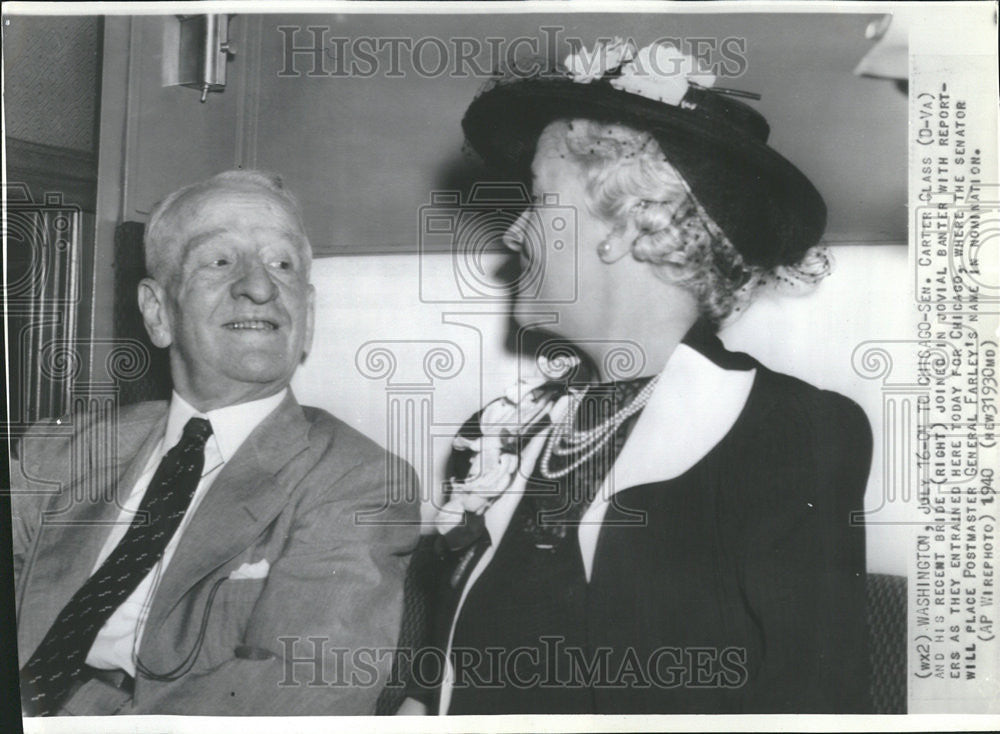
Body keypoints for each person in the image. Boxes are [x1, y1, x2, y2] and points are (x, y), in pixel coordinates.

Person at [402, 39, 872, 714]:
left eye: (538, 199)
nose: (512, 235)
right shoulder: (500, 434)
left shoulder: (788, 432)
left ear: (623, 222)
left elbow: (819, 707)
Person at [11, 170, 420, 716]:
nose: (260, 286)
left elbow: (293, 707)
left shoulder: (357, 481)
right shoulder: (57, 453)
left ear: (309, 316)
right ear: (158, 312)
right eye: (220, 261)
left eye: (283, 264)